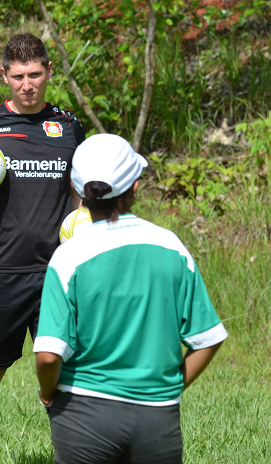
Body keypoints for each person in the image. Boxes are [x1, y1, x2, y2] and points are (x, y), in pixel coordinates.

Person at [34, 133, 227, 464]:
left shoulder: (69, 257)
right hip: (157, 417)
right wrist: (169, 389)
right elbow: (208, 338)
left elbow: (50, 356)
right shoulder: (170, 247)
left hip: (82, 414)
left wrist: (48, 395)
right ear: (135, 187)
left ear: (79, 192)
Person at [0, 33, 85, 464]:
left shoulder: (69, 127)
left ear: (49, 71)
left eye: (35, 74)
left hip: (58, 274)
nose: (28, 84)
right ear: (4, 75)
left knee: (65, 373)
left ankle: (72, 454)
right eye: (18, 76)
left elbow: (79, 196)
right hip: (1, 272)